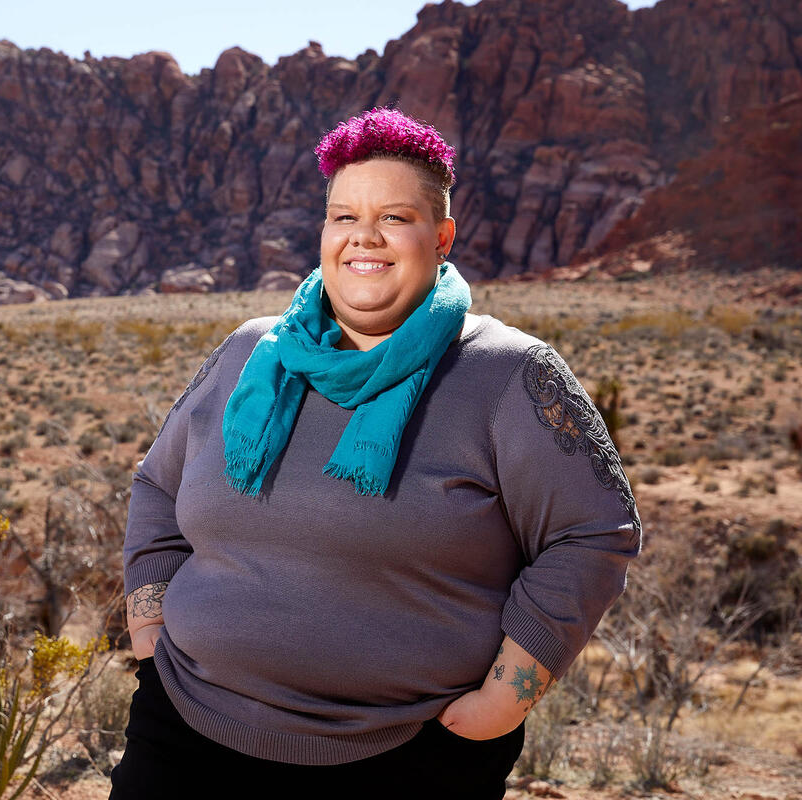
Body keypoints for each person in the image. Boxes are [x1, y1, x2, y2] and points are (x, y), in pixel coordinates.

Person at [109, 107, 641, 799]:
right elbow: (157, 486)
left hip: (404, 758)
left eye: (394, 217)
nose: (363, 237)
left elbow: (595, 531)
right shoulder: (251, 350)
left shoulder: (510, 373)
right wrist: (150, 630)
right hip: (182, 734)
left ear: (442, 236)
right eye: (342, 217)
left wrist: (503, 704)